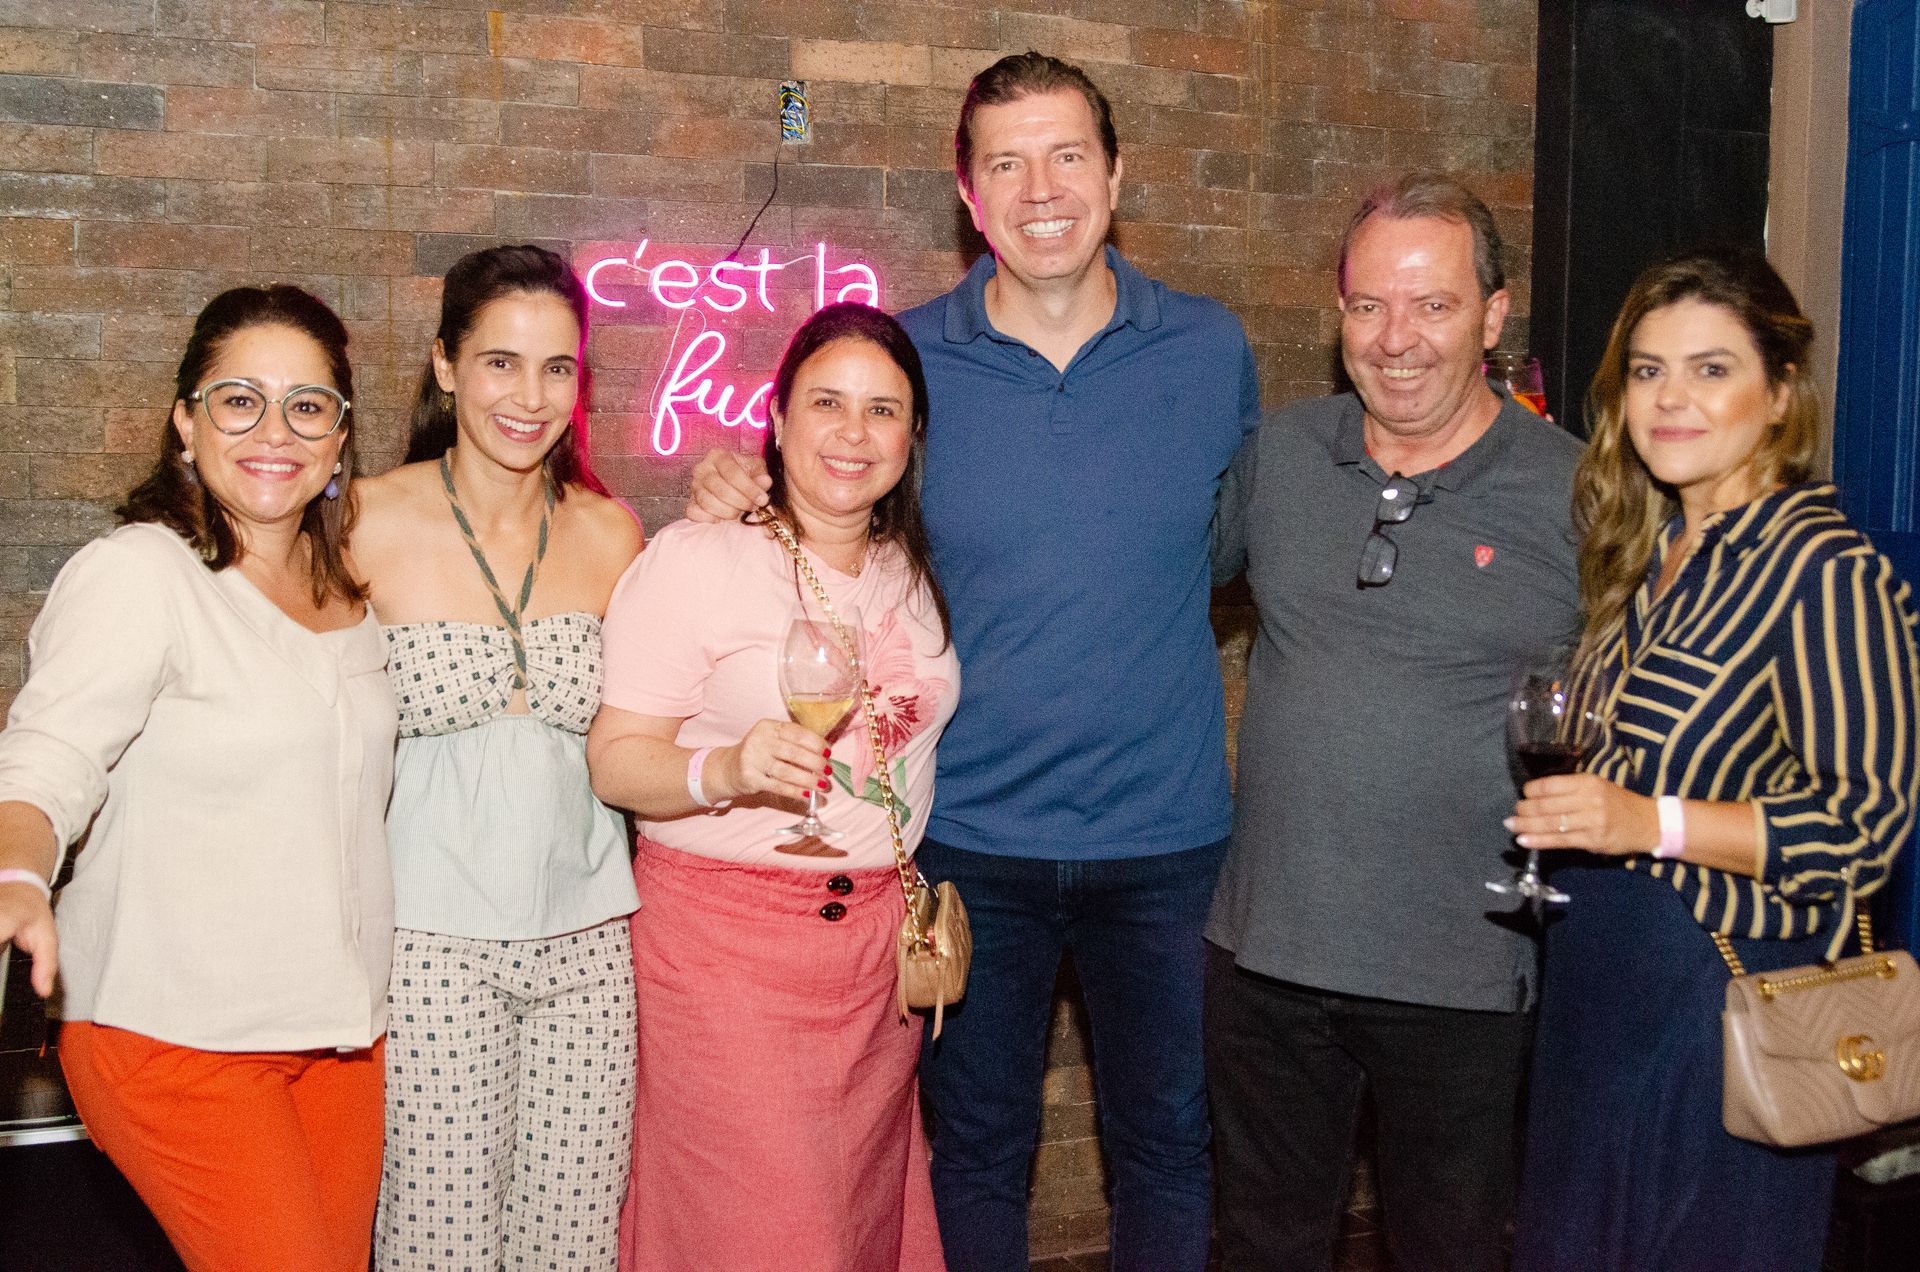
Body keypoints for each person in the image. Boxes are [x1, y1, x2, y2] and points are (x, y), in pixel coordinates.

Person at [683, 52, 1261, 1271]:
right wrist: (736, 481)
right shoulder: (909, 366)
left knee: (1167, 1145)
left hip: (1163, 842)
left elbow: (1230, 548)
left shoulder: (1210, 351)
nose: (1039, 187)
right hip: (966, 841)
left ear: (1117, 173)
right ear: (967, 189)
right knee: (976, 1153)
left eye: (1066, 155)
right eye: (1005, 161)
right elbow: (832, 510)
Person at [1507, 248, 1920, 1271]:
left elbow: (1862, 833)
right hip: (1604, 985)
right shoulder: (1654, 565)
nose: (1670, 400)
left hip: (1718, 999)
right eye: (1648, 372)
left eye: (1710, 369)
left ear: (1780, 395)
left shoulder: (1825, 571)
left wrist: (1651, 822)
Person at [1203, 173, 1585, 1272]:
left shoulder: (1576, 492)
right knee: (1262, 1248)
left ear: (1495, 317)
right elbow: (1136, 574)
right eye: (1368, 305)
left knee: (1451, 1252)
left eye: (1433, 305)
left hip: (1465, 971)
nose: (1396, 338)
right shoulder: (1278, 458)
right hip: (1267, 958)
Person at [0, 285, 395, 1271]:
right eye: (238, 399)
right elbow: (48, 754)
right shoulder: (142, 574)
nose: (275, 429)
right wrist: (16, 874)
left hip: (339, 1033)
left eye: (308, 405)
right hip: (175, 1031)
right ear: (186, 421)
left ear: (340, 438)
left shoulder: (347, 598)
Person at [589, 302, 959, 1271]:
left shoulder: (910, 573)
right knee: (762, 1236)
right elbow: (615, 759)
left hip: (877, 963)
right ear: (779, 419)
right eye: (826, 402)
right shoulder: (698, 559)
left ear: (913, 437)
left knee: (857, 1227)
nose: (853, 431)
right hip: (723, 958)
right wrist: (727, 771)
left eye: (884, 411)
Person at [349, 244, 645, 1271]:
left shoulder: (613, 534)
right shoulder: (365, 519)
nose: (531, 396)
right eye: (500, 363)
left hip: (590, 944)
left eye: (558, 367)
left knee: (573, 1243)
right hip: (428, 945)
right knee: (438, 1243)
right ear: (443, 365)